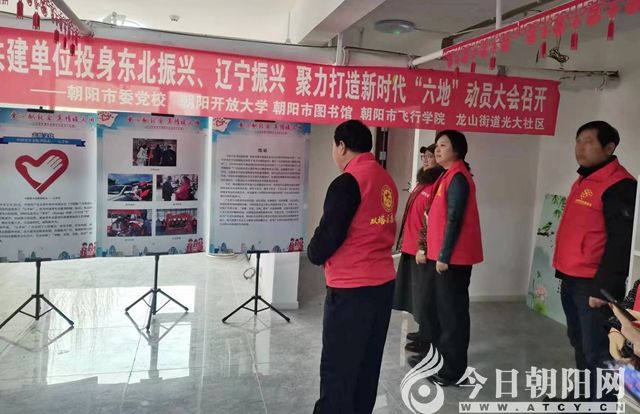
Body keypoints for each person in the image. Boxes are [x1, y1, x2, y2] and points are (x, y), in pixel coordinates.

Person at [308, 119, 398, 413]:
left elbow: (330, 233)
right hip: (382, 286)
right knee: (367, 364)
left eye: (334, 147)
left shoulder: (347, 181)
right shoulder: (386, 179)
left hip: (351, 289)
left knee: (339, 367)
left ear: (342, 146)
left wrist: (313, 252)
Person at [553, 121, 636, 401]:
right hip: (572, 279)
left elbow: (621, 242)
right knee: (579, 343)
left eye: (588, 141)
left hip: (593, 285)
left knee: (599, 350)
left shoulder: (620, 185)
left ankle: (601, 404)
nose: (580, 147)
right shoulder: (585, 180)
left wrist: (604, 288)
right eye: (578, 141)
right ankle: (582, 398)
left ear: (609, 147)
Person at [417, 130, 483, 385]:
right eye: (437, 145)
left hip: (452, 260)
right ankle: (440, 361)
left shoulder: (458, 177)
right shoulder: (446, 175)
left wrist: (444, 255)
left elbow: (455, 218)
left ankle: (453, 371)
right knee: (439, 310)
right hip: (441, 257)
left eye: (443, 145)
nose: (437, 149)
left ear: (457, 150)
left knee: (452, 315)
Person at [393, 143, 444, 355]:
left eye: (430, 156)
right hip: (411, 248)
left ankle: (428, 339)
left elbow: (433, 221)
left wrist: (423, 248)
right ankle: (424, 331)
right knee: (415, 294)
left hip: (423, 251)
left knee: (425, 296)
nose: (426, 160)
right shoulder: (423, 182)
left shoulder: (437, 186)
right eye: (424, 156)